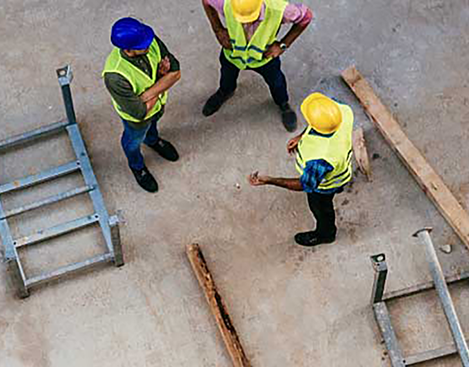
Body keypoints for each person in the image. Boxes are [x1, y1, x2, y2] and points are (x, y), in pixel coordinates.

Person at [248, 93, 354, 246]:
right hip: (342, 167)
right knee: (335, 184)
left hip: (325, 185)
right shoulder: (342, 111)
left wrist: (270, 180)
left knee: (321, 209)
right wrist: (301, 136)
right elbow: (321, 126)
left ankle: (326, 234)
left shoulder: (319, 159)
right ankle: (338, 189)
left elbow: (305, 185)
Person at [201, 0, 312, 131]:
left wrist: (283, 45)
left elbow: (306, 17)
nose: (244, 23)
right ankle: (225, 91)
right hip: (233, 54)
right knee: (227, 75)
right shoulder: (225, 2)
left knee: (276, 82)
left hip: (264, 58)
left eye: (250, 18)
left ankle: (283, 103)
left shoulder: (279, 9)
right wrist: (218, 29)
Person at [102, 18, 181, 193]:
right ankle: (137, 166)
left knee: (154, 123)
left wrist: (148, 94)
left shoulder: (147, 39)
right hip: (136, 120)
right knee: (132, 141)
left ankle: (152, 140)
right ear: (127, 50)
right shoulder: (114, 76)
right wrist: (162, 80)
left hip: (157, 105)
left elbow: (175, 72)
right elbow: (139, 112)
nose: (149, 44)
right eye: (142, 46)